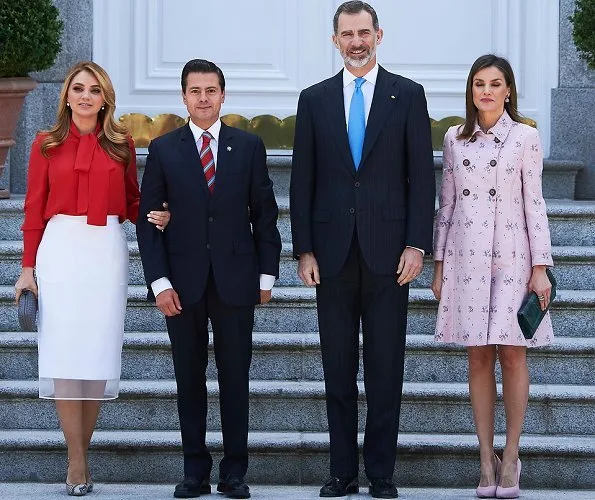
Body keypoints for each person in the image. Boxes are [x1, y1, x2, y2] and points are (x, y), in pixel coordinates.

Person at [290, 2, 435, 497]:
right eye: (347, 34)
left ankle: (380, 473)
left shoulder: (408, 96)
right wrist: (303, 249)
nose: (356, 41)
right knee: (337, 367)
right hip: (330, 254)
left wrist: (418, 243)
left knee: (385, 366)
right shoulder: (313, 99)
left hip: (390, 254)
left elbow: (421, 179)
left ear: (379, 35)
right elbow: (302, 180)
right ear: (335, 40)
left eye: (363, 32)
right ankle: (341, 471)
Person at [14, 61, 170, 496]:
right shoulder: (45, 144)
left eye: (94, 90)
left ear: (105, 99)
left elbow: (134, 201)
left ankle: (81, 452)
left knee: (97, 355)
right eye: (78, 88)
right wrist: (27, 269)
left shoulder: (122, 144)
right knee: (65, 353)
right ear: (66, 95)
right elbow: (32, 211)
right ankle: (77, 459)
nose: (85, 96)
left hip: (106, 251)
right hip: (60, 251)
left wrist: (160, 215)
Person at [136, 58, 281, 499]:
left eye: (211, 90)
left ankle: (234, 472)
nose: (203, 98)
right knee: (189, 378)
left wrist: (267, 275)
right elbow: (148, 221)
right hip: (182, 283)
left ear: (223, 95)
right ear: (183, 97)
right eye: (195, 91)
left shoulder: (249, 145)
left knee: (235, 378)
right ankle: (194, 471)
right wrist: (159, 283)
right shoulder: (164, 149)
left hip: (237, 280)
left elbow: (265, 214)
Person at [432, 54, 554, 499]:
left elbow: (534, 203)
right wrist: (441, 266)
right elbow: (446, 205)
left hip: (513, 258)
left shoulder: (525, 137)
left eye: (495, 83)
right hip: (465, 259)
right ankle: (486, 457)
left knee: (514, 355)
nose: (486, 90)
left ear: (508, 90)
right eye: (479, 83)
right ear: (471, 90)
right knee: (479, 357)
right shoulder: (454, 138)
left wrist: (541, 269)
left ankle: (512, 455)